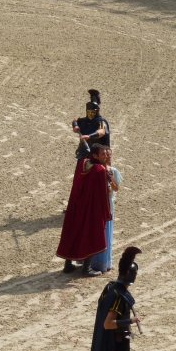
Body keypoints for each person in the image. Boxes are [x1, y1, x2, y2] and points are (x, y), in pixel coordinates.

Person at [57, 144, 112, 276]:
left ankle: (68, 265)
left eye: (106, 153)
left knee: (73, 233)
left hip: (76, 206)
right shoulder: (100, 170)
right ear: (94, 155)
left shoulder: (82, 164)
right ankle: (86, 268)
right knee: (90, 234)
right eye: (103, 154)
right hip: (90, 209)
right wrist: (106, 212)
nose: (106, 156)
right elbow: (103, 195)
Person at [91, 148, 122, 273]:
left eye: (109, 154)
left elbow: (116, 188)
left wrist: (110, 179)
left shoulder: (112, 171)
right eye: (105, 154)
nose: (108, 156)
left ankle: (105, 263)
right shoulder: (96, 170)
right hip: (98, 206)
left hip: (108, 205)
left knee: (107, 235)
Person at [72, 89, 110, 160]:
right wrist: (75, 126)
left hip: (99, 155)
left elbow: (101, 131)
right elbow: (75, 120)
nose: (90, 114)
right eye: (89, 112)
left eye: (92, 112)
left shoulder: (101, 121)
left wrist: (89, 136)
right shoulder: (84, 121)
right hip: (84, 153)